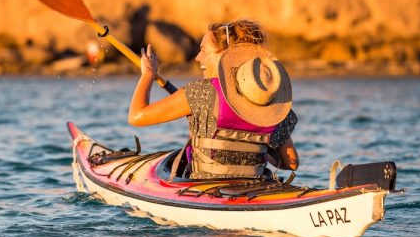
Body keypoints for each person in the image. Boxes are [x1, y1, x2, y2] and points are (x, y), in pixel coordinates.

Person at [128, 19, 299, 180]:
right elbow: (291, 162)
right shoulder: (272, 101)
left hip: (207, 190)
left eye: (203, 50)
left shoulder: (202, 92)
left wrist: (148, 75)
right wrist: (258, 146)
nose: (197, 58)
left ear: (226, 54)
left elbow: (137, 116)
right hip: (256, 189)